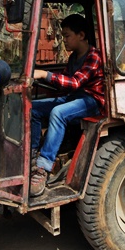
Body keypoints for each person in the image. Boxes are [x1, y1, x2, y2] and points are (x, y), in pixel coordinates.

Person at [30, 14, 104, 196]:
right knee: (32, 107)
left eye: (67, 35)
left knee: (58, 112)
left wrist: (43, 74)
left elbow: (75, 83)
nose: (64, 40)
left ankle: (43, 167)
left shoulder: (94, 56)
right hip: (74, 98)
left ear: (81, 35)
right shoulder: (73, 58)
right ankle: (32, 153)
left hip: (91, 101)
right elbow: (64, 83)